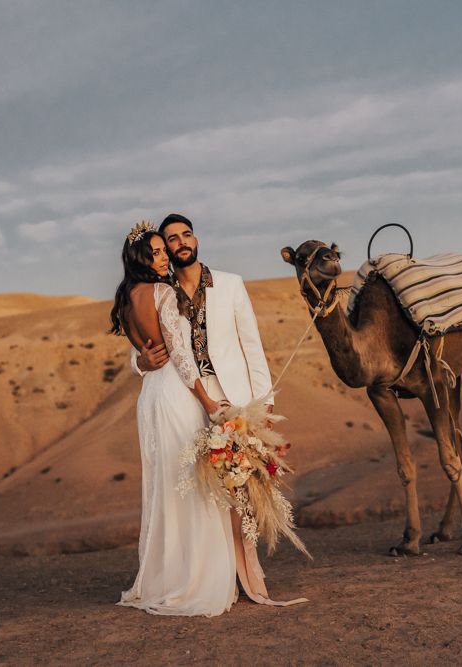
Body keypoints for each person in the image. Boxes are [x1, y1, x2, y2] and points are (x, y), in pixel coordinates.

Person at [111, 217, 305, 617]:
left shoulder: (230, 284)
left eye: (184, 236)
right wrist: (141, 363)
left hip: (232, 398)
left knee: (239, 493)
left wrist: (263, 401)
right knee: (198, 491)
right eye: (168, 241)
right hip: (190, 398)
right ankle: (208, 575)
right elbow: (158, 350)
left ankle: (243, 575)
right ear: (156, 251)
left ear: (196, 240)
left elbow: (252, 344)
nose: (178, 245)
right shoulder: (162, 289)